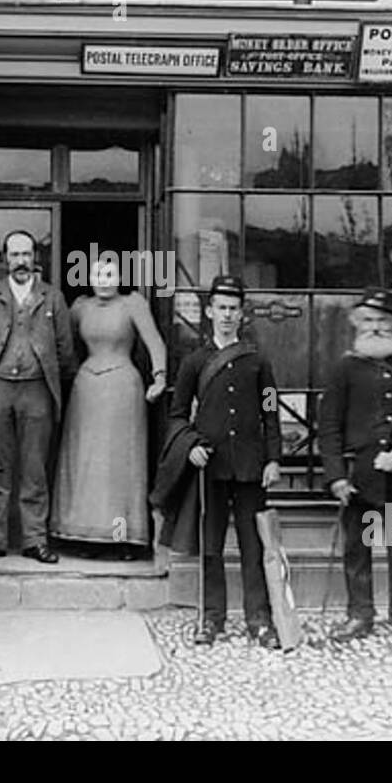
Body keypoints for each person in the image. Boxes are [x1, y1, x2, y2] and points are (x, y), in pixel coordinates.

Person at [317, 288, 392, 654]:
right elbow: (329, 427)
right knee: (357, 548)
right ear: (357, 323)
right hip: (358, 478)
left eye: (381, 321)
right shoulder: (344, 369)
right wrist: (336, 476)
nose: (374, 327)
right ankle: (360, 614)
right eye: (367, 320)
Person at [167, 274, 282, 648]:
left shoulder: (258, 361)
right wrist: (190, 446)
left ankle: (259, 619)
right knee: (211, 546)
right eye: (221, 308)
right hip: (210, 468)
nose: (228, 315)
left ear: (242, 314)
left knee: (254, 546)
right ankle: (210, 618)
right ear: (209, 311)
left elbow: (270, 412)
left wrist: (273, 459)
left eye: (234, 309)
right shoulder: (194, 362)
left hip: (251, 468)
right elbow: (177, 415)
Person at [0, 230, 77, 564]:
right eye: (14, 255)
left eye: (26, 254)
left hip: (37, 390)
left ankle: (34, 540)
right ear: (4, 259)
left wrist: (53, 383)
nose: (21, 262)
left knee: (34, 469)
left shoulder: (52, 297)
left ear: (36, 258)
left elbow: (65, 350)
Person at [52, 258, 167, 559]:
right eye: (97, 274)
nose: (103, 280)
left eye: (109, 274)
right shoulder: (80, 307)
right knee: (85, 464)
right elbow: (66, 347)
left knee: (118, 466)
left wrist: (159, 377)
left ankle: (121, 537)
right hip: (86, 391)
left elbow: (154, 341)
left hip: (122, 391)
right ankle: (82, 535)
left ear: (119, 277)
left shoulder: (133, 304)